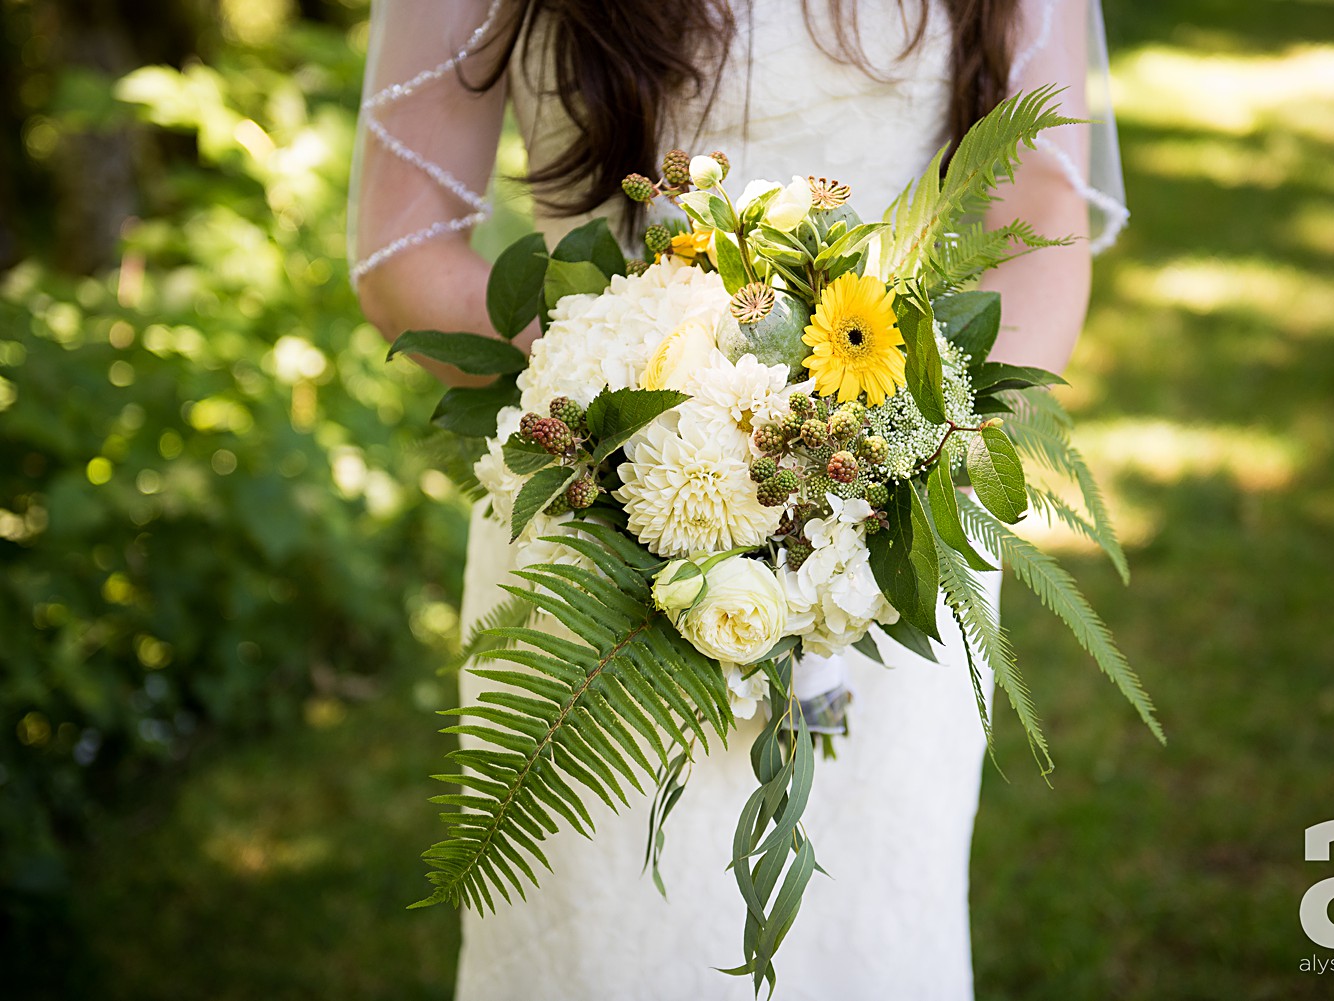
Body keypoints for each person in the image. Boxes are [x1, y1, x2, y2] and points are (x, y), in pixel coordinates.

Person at [349, 1, 1126, 997]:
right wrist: (628, 388)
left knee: (871, 947)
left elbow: (1042, 207)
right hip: (599, 523)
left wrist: (912, 446)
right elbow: (399, 246)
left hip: (880, 519)